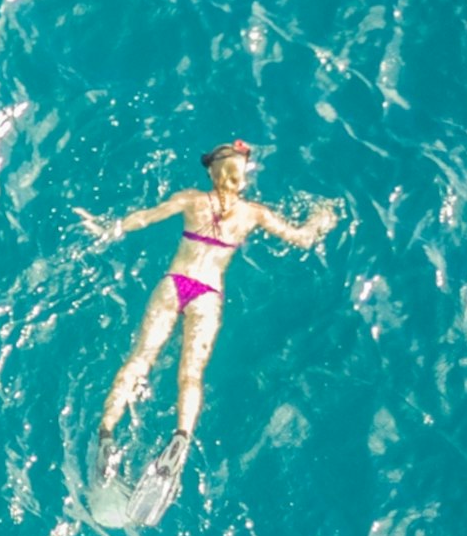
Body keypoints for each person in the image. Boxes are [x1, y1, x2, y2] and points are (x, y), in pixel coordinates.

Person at [76, 139, 338, 450]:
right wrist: (323, 218)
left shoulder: (191, 200)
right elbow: (302, 239)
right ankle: (180, 439)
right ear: (242, 178)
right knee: (191, 374)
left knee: (139, 360)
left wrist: (105, 227)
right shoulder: (254, 214)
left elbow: (144, 217)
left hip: (174, 284)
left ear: (212, 174)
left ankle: (107, 430)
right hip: (207, 294)